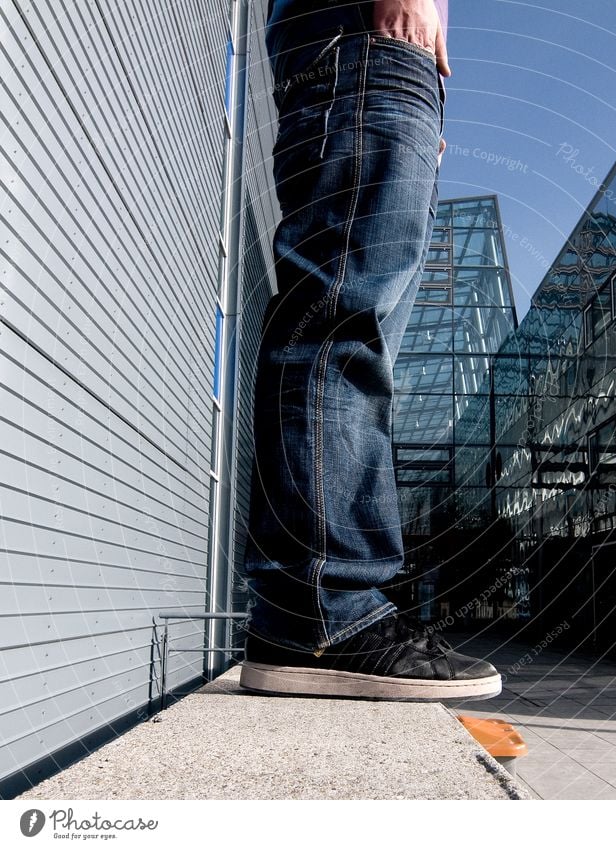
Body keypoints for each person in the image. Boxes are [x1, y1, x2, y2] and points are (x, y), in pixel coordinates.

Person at [240, 0, 501, 701]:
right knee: (338, 325)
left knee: (356, 333)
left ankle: (314, 613)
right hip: (365, 37)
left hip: (383, 56)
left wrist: (421, 89)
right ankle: (323, 615)